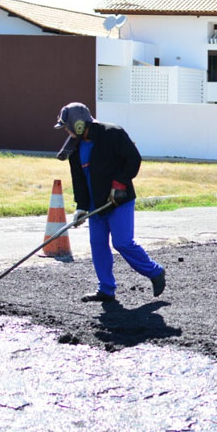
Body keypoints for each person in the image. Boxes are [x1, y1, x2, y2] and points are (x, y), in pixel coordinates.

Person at [53, 102, 166, 302]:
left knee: (122, 243)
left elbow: (133, 159)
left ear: (78, 124)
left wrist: (119, 184)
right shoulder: (75, 148)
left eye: (67, 126)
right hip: (96, 205)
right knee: (97, 244)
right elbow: (78, 180)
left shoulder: (112, 133)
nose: (67, 131)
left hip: (118, 201)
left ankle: (155, 272)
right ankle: (106, 289)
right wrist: (81, 207)